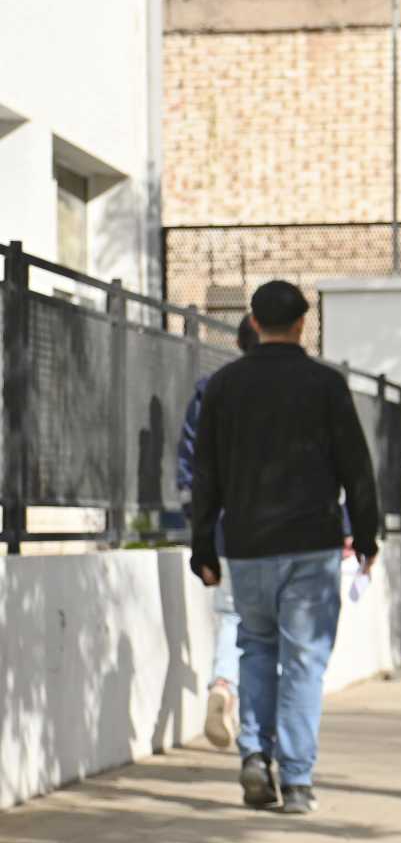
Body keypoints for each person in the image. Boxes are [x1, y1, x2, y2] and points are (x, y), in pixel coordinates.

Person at [189, 281, 382, 815]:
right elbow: (356, 468)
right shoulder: (325, 384)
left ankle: (254, 754)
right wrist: (366, 536)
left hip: (247, 544)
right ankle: (296, 781)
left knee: (254, 647)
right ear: (302, 323)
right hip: (311, 544)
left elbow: (206, 473)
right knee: (303, 661)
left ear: (252, 321)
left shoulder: (224, 386)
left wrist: (203, 544)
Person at [177, 315, 259, 750]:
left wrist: (200, 523)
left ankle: (223, 684)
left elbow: (190, 463)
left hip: (226, 526)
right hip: (282, 531)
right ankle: (259, 736)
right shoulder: (295, 388)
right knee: (271, 630)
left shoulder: (211, 391)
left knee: (231, 616)